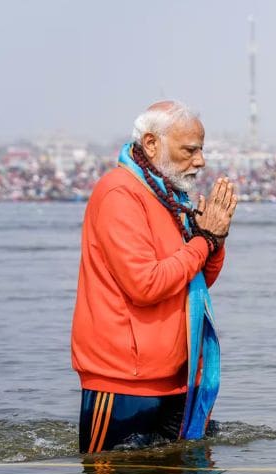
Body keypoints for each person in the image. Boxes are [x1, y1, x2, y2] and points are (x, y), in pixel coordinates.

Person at [71, 101, 238, 453]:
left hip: (176, 378)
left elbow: (193, 279)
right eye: (190, 150)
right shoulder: (120, 192)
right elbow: (146, 285)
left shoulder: (167, 194)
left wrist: (214, 241)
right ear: (151, 144)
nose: (200, 161)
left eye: (201, 150)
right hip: (122, 381)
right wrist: (202, 241)